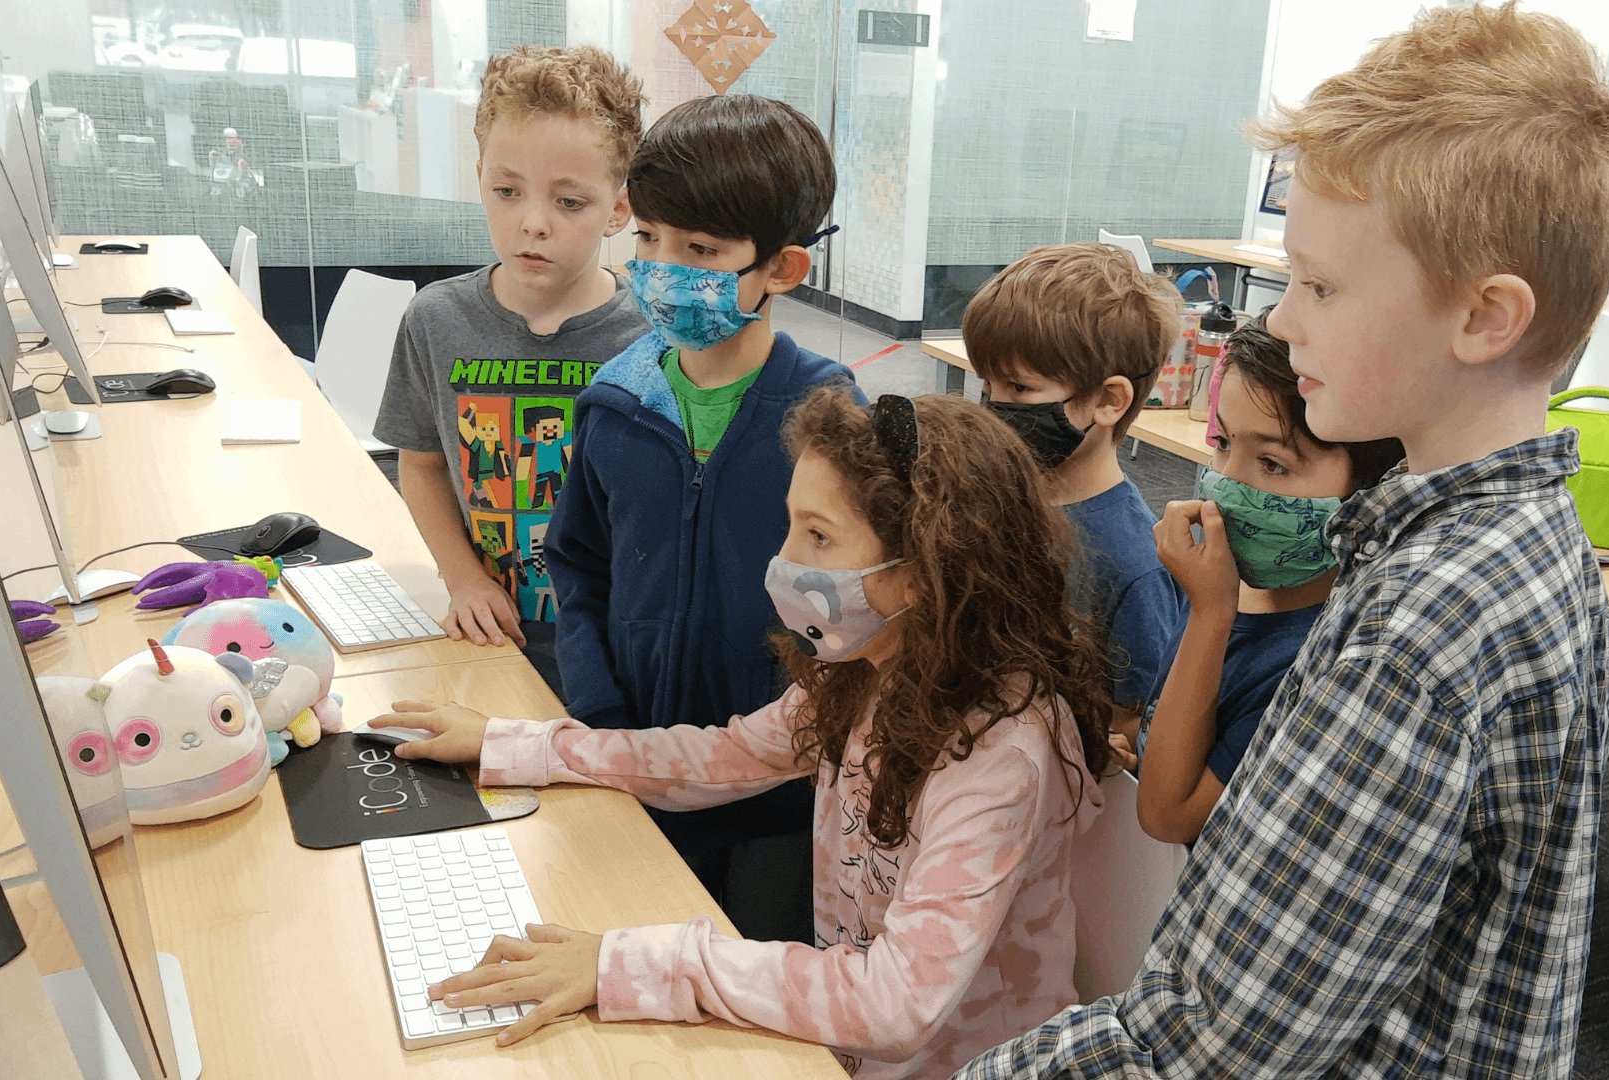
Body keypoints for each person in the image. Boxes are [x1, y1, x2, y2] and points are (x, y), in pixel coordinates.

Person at [955, 3, 1609, 1076]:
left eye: (1319, 285)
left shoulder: (1421, 636)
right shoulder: (1523, 541)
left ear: (1484, 318)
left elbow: (1213, 1043)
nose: (1280, 322)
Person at [370, 391, 1114, 1080]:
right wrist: (517, 745)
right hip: (850, 1053)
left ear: (925, 572)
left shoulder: (1000, 751)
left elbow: (895, 1005)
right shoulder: (866, 667)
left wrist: (629, 964)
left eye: (818, 535)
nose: (785, 560)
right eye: (792, 525)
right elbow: (723, 755)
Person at [543, 93, 859, 942]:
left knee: (751, 1005)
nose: (662, 266)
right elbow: (577, 567)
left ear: (783, 269)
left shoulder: (831, 420)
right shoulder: (615, 404)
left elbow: (859, 606)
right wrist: (602, 714)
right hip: (632, 763)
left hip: (777, 799)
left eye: (701, 249)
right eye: (648, 238)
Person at [373, 45, 649, 695]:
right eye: (507, 190)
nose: (532, 223)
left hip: (618, 648)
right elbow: (422, 463)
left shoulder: (653, 338)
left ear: (618, 208)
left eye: (570, 202)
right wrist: (461, 576)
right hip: (491, 634)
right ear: (479, 180)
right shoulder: (436, 320)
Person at [1132, 316, 1401, 843]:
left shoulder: (1311, 659)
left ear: (1366, 488)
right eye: (1224, 443)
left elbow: (1169, 815)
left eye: (1273, 464)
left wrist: (1212, 613)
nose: (1226, 485)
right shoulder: (1226, 573)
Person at [962, 243, 1187, 751]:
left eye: (1019, 389)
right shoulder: (989, 502)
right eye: (988, 385)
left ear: (1109, 401)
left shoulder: (1135, 564)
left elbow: (1129, 722)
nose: (995, 407)